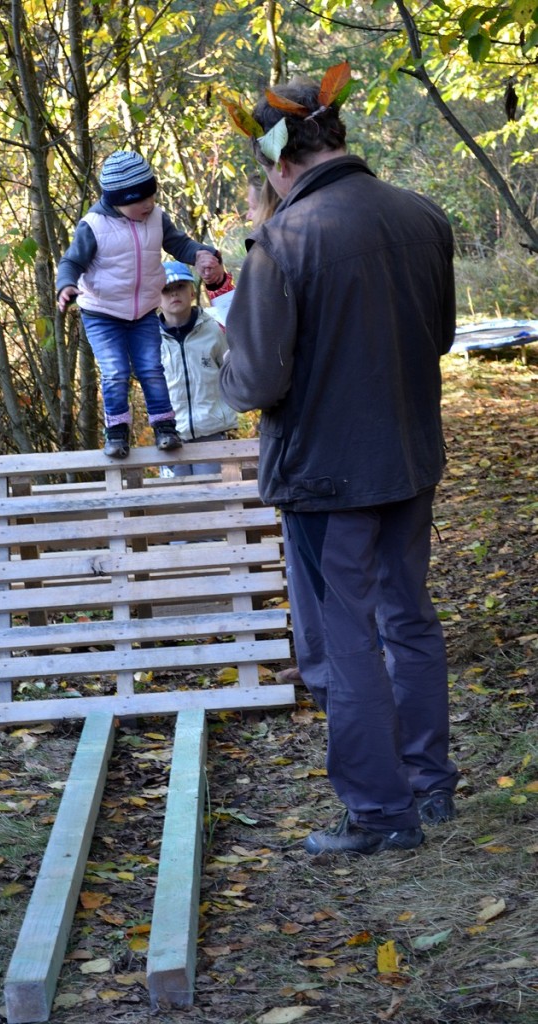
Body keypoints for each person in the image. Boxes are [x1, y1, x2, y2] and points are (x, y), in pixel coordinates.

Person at [219, 73, 459, 856]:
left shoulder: (283, 241)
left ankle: (380, 812)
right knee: (406, 616)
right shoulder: (421, 215)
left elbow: (253, 383)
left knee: (340, 636)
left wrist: (225, 355)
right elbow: (439, 336)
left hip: (325, 477)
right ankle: (428, 784)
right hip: (408, 458)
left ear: (275, 159)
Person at [56, 150, 220, 458]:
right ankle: (117, 432)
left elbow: (179, 243)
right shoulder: (94, 225)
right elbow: (71, 261)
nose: (148, 205)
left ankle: (165, 428)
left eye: (151, 196)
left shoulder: (156, 217)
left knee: (151, 368)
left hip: (144, 311)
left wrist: (201, 252)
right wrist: (66, 285)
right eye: (140, 200)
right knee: (116, 371)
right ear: (118, 201)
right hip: (102, 313)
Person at [158, 262, 238, 475]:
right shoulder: (149, 338)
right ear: (156, 297)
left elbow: (232, 372)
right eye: (166, 289)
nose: (174, 293)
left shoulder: (214, 328)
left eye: (181, 286)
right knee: (175, 495)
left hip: (211, 430)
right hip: (170, 435)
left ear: (192, 291)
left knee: (211, 492)